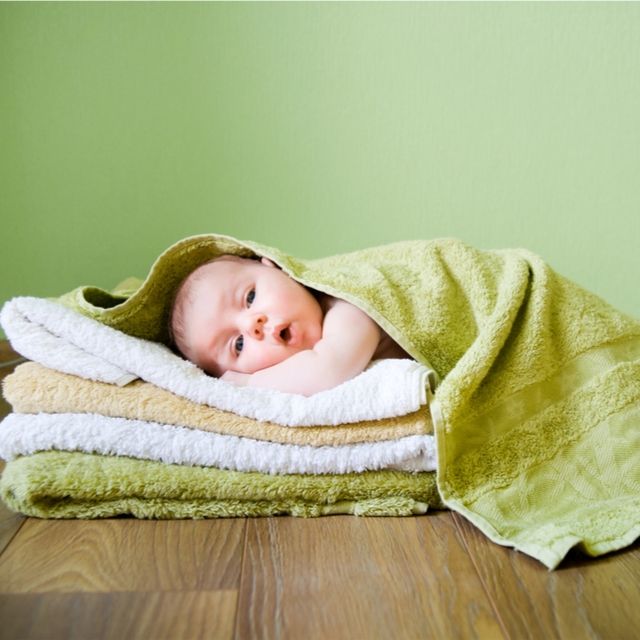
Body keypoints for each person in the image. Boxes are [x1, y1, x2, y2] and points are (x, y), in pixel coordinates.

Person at [169, 254, 411, 396]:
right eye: (238, 345)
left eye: (250, 297)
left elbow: (327, 369)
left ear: (275, 268)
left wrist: (249, 383)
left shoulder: (348, 306)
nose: (252, 325)